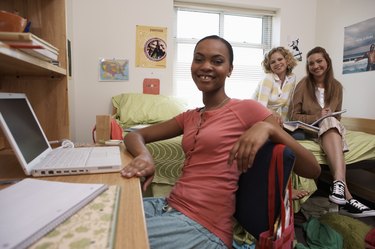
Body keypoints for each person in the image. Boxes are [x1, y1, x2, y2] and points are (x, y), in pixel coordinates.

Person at [121, 35, 321, 249]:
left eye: (217, 61)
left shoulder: (247, 109)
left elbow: (312, 168)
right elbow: (134, 135)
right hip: (170, 206)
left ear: (230, 69)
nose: (205, 66)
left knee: (112, 239)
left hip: (203, 225)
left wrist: (269, 127)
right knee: (103, 216)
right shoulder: (188, 117)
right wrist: (144, 155)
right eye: (199, 59)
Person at [288, 46, 375, 218]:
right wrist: (317, 116)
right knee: (329, 122)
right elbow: (293, 115)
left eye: (319, 61)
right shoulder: (303, 85)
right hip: (311, 130)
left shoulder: (336, 86)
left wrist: (328, 118)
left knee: (331, 121)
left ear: (327, 61)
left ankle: (341, 191)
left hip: (331, 129)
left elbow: (338, 117)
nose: (315, 66)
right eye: (311, 63)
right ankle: (347, 196)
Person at [253, 47, 314, 203]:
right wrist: (272, 115)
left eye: (280, 59)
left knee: (300, 136)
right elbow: (260, 106)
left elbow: (287, 107)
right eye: (272, 62)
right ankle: (284, 188)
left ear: (287, 60)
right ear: (269, 65)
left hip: (280, 123)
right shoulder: (268, 78)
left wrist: (288, 125)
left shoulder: (292, 78)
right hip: (260, 119)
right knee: (277, 145)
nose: (277, 63)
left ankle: (289, 180)